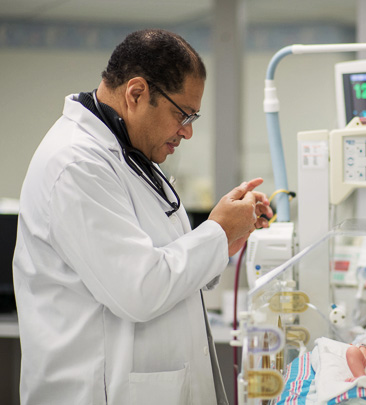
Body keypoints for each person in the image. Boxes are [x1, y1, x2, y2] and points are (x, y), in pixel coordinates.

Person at [13, 29, 273, 405]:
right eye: (182, 114)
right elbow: (139, 288)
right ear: (136, 93)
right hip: (98, 392)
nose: (187, 131)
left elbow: (163, 257)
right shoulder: (75, 164)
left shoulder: (127, 154)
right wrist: (216, 232)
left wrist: (227, 238)